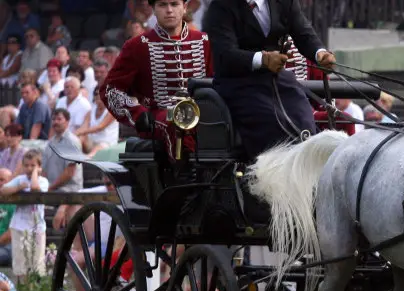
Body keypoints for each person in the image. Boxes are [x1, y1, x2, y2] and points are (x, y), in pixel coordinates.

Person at [203, 0, 336, 160]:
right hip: (238, 84)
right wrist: (262, 59)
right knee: (273, 125)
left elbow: (304, 34)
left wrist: (319, 53)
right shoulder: (221, 6)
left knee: (304, 119)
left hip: (278, 80)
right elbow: (225, 53)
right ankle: (269, 174)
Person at [100, 0, 213, 172]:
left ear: (184, 7)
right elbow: (110, 90)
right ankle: (183, 176)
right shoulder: (137, 46)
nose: (169, 10)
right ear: (153, 9)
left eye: (174, 4)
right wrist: (139, 115)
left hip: (203, 115)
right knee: (174, 125)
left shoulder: (204, 41)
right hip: (159, 119)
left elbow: (219, 82)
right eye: (162, 5)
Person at [0, 149, 48, 283]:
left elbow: (34, 188)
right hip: (19, 226)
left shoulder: (43, 181)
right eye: (26, 165)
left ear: (39, 167)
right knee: (20, 264)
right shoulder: (19, 180)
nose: (28, 168)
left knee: (37, 263)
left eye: (32, 165)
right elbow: (3, 190)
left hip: (37, 227)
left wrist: (34, 174)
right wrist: (19, 187)